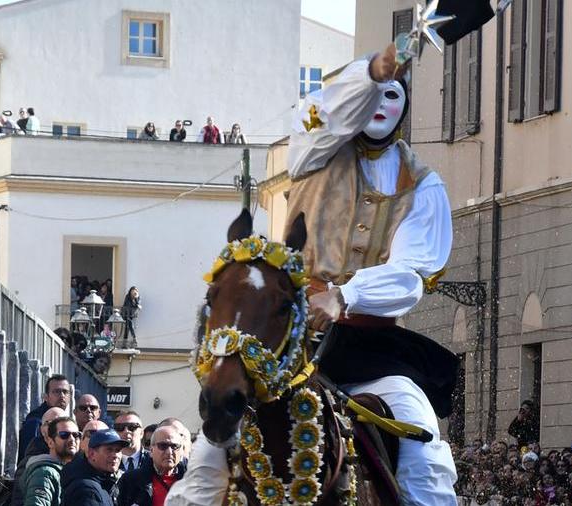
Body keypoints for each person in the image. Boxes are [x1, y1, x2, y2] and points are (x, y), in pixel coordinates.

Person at [169, 44, 458, 505]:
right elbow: (326, 113)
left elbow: (412, 272)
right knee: (209, 456)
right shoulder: (314, 151)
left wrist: (346, 296)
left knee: (423, 450)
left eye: (391, 95)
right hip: (287, 344)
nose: (379, 105)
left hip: (373, 354)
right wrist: (371, 72)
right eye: (371, 95)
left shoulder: (423, 185)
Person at [12, 407, 69, 506]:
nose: (56, 428)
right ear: (42, 429)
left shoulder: (73, 457)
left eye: (61, 422)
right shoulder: (30, 462)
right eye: (51, 423)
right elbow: (19, 499)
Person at [117, 426, 187, 506]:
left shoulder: (193, 480)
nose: (169, 452)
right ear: (151, 450)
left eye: (174, 446)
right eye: (163, 446)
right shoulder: (130, 480)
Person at [61, 430, 129, 506]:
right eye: (109, 450)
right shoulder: (87, 490)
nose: (115, 455)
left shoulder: (104, 483)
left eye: (118, 450)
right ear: (92, 454)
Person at [23, 417, 79, 506]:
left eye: (76, 435)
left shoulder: (71, 471)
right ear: (50, 442)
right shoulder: (44, 474)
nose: (72, 439)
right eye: (64, 435)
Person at [20, 374, 72, 461]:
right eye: (57, 391)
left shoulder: (68, 421)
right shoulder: (35, 422)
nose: (62, 395)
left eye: (65, 392)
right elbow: (27, 458)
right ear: (46, 397)